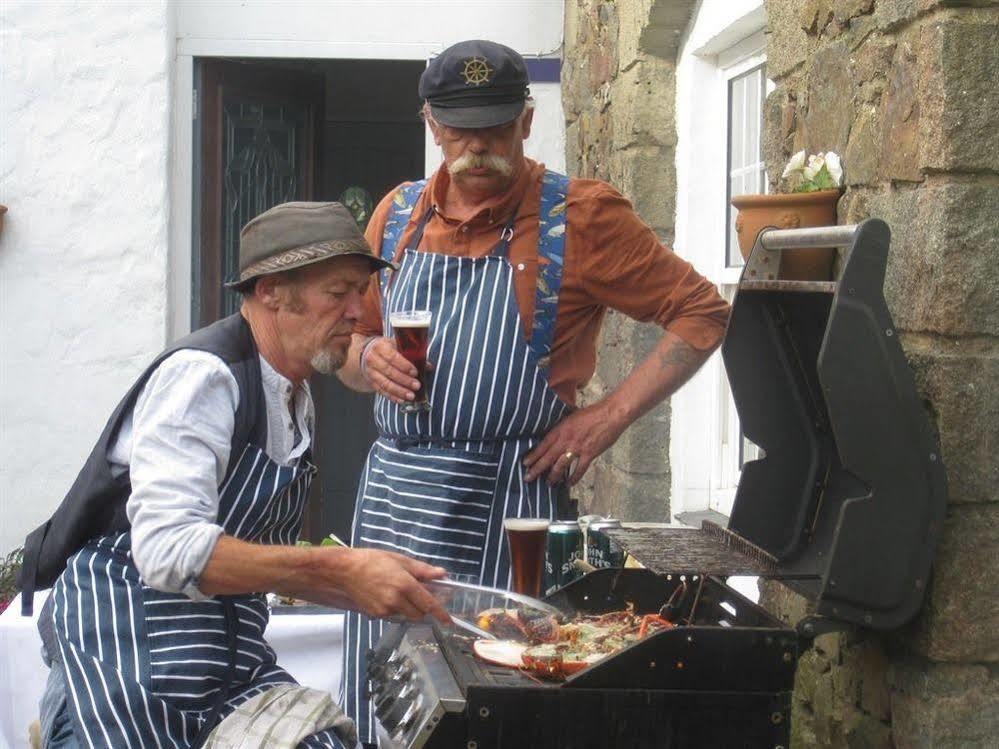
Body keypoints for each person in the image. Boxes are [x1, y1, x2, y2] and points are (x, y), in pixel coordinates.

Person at [334, 39, 732, 745]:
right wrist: (365, 354)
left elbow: (701, 311)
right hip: (394, 501)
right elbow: (343, 346)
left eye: (494, 126)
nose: (477, 146)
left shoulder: (580, 217)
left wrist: (604, 420)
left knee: (491, 701)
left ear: (525, 119)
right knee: (382, 700)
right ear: (430, 123)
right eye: (460, 129)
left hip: (505, 506)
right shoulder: (395, 217)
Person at [22, 202, 450, 748]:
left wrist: (377, 583)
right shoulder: (203, 378)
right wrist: (339, 569)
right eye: (338, 291)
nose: (358, 310)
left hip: (227, 666)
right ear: (271, 290)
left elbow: (259, 557)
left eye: (363, 291)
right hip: (124, 661)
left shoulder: (295, 394)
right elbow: (167, 550)